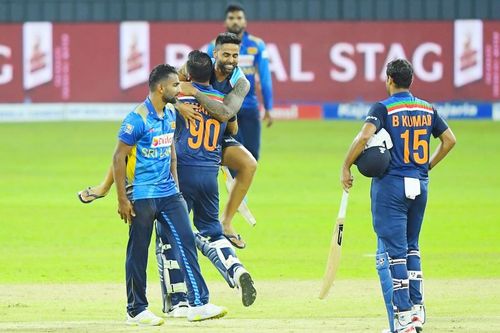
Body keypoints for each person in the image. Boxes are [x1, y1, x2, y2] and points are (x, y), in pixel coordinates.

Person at [79, 32, 255, 249]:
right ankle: (104, 186)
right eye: (226, 54)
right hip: (185, 129)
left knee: (249, 164)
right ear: (215, 53)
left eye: (235, 56)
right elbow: (166, 89)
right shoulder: (198, 65)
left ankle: (226, 222)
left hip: (217, 135)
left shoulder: (241, 83)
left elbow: (227, 114)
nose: (231, 60)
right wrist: (180, 105)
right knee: (136, 140)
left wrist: (195, 92)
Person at [340, 59, 456, 333]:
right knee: (412, 247)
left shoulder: (383, 108)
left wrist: (345, 166)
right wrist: (426, 166)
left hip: (392, 186)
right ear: (411, 80)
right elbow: (450, 140)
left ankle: (403, 319)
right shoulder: (427, 108)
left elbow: (362, 137)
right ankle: (416, 312)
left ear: (389, 79)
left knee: (394, 255)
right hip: (420, 184)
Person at [113, 64, 227, 325]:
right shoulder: (137, 118)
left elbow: (171, 153)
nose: (180, 89)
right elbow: (118, 157)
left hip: (169, 192)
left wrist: (175, 186)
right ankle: (136, 310)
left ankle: (198, 304)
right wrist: (122, 198)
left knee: (185, 240)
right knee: (138, 251)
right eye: (176, 85)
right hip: (142, 194)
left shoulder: (171, 114)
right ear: (161, 88)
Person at [158, 50, 256, 318]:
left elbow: (156, 110)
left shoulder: (177, 95)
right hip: (209, 175)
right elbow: (232, 128)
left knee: (169, 235)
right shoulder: (221, 100)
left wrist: (178, 102)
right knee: (211, 232)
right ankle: (236, 269)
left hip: (182, 174)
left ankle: (177, 300)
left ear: (187, 75)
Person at [207, 3, 274, 161]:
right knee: (230, 156)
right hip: (225, 108)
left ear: (245, 22)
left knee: (252, 156)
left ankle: (241, 186)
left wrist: (268, 107)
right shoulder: (213, 47)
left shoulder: (257, 45)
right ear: (225, 22)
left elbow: (265, 77)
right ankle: (232, 186)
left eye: (239, 18)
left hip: (250, 107)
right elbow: (206, 78)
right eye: (231, 18)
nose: (235, 21)